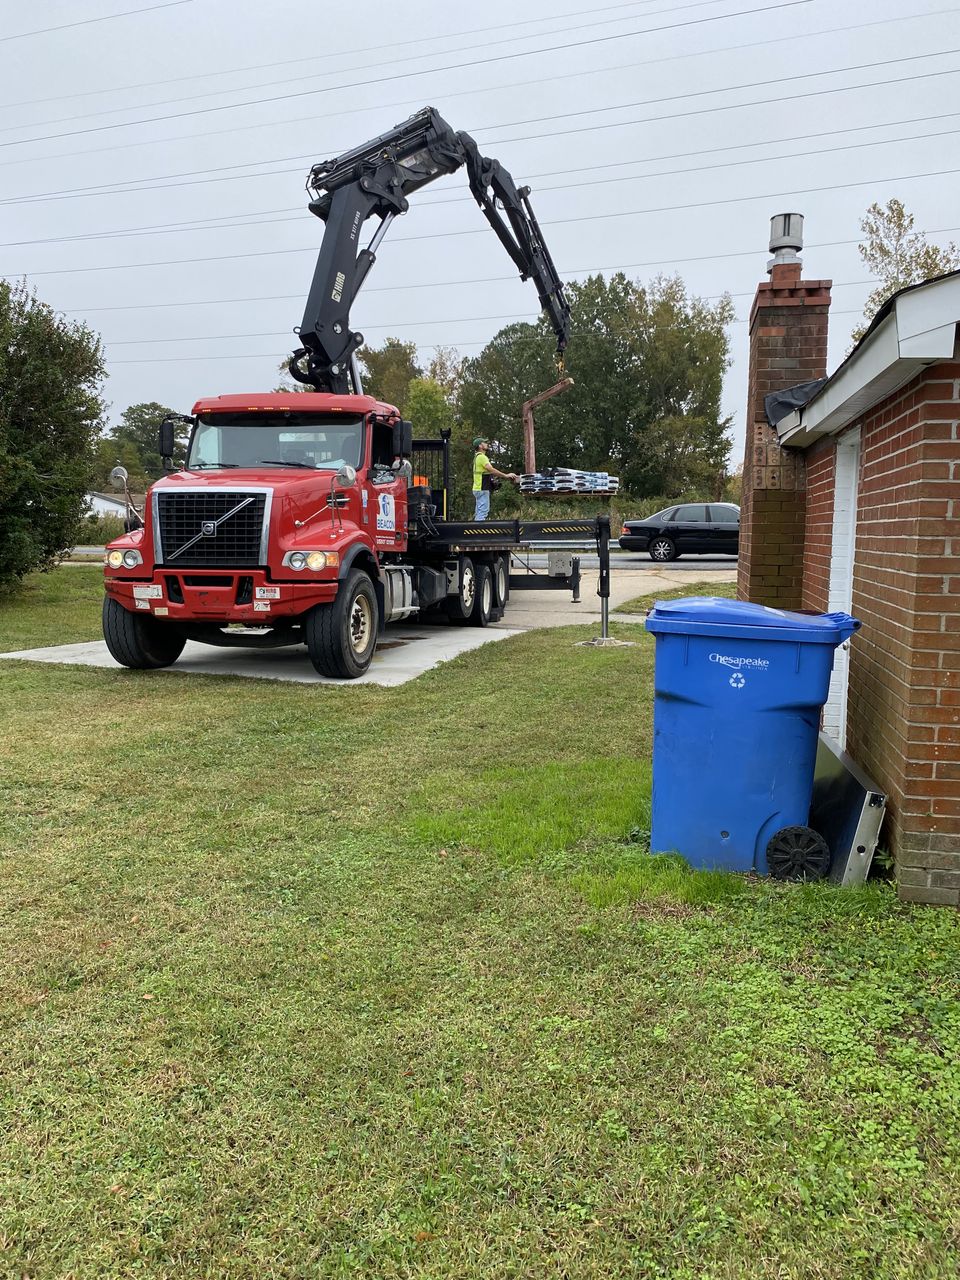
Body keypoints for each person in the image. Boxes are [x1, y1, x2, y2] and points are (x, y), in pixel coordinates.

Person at [471, 437, 517, 521]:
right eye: (484, 443)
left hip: (477, 488)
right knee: (483, 512)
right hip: (482, 488)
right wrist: (506, 475)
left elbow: (486, 472)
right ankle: (479, 532)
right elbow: (491, 469)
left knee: (478, 512)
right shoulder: (482, 457)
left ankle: (475, 530)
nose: (487, 444)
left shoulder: (476, 457)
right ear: (480, 446)